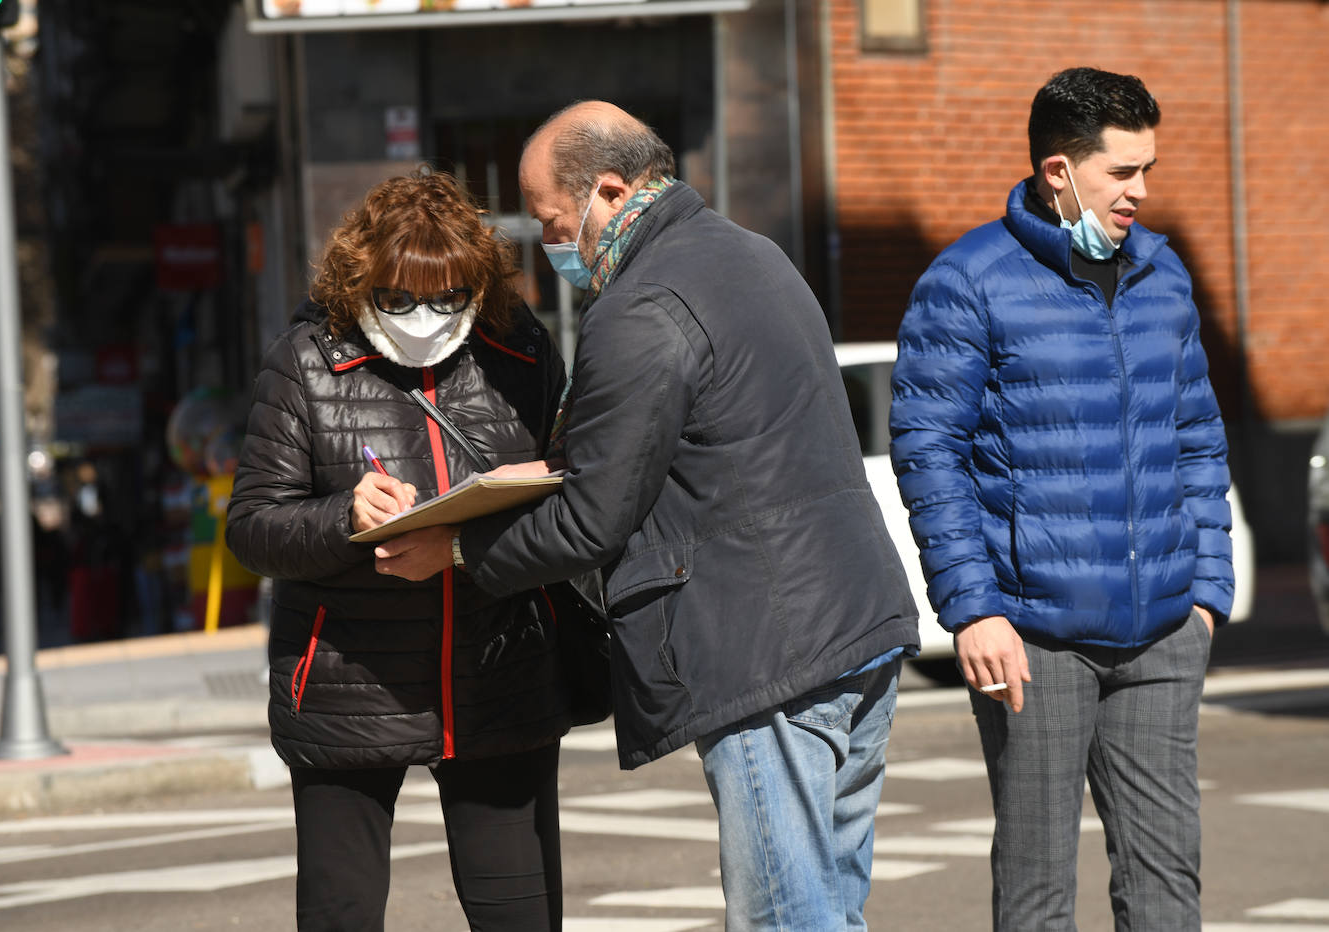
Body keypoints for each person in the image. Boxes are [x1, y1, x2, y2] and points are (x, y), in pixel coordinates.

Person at [373, 101, 920, 931]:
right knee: (831, 907)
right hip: (858, 617)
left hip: (763, 648)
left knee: (784, 918)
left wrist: (457, 545)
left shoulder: (640, 304)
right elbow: (710, 437)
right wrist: (551, 467)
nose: (554, 243)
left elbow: (594, 522)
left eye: (555, 220)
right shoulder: (753, 254)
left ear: (609, 189)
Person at [890, 67, 1234, 930]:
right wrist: (974, 612)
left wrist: (1206, 596)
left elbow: (1197, 437)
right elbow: (929, 453)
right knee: (1038, 892)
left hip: (1162, 630)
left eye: (1147, 169)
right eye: (1122, 173)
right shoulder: (968, 280)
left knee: (1167, 885)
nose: (1141, 192)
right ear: (1059, 173)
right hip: (1033, 639)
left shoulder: (1162, 276)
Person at [225, 171, 572, 932]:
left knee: (521, 914)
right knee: (340, 913)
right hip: (348, 684)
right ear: (362, 280)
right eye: (402, 297)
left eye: (449, 295)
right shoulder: (305, 363)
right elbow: (252, 527)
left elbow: (572, 495)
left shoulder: (519, 352)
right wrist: (343, 515)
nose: (426, 316)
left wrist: (468, 540)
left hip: (497, 679)